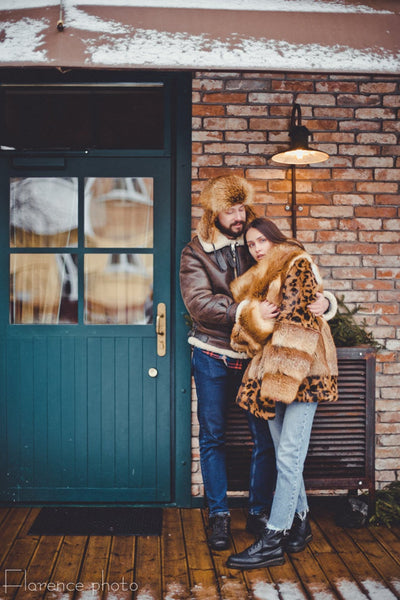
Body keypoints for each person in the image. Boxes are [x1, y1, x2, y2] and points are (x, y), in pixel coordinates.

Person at [179, 175, 334, 551]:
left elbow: (297, 274)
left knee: (265, 438)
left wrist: (327, 301)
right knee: (213, 435)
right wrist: (248, 310)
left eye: (240, 208)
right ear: (213, 212)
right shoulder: (195, 252)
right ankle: (218, 515)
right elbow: (199, 303)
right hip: (213, 353)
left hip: (256, 357)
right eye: (229, 210)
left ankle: (260, 510)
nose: (237, 216)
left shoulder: (256, 240)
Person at [226, 217, 338, 570]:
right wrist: (254, 317)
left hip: (302, 376)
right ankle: (301, 522)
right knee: (283, 455)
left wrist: (280, 382)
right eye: (251, 244)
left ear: (276, 238)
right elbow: (254, 334)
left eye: (262, 240)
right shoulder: (264, 277)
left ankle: (273, 537)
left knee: (289, 456)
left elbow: (301, 323)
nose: (257, 248)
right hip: (273, 374)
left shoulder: (296, 263)